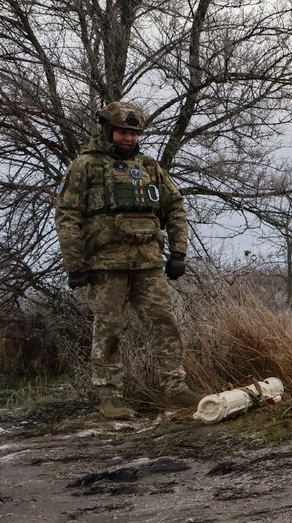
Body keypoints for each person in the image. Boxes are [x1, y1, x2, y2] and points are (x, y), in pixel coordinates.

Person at [55, 101, 201, 419]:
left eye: (134, 133)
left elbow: (175, 205)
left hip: (148, 262)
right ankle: (110, 395)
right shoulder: (86, 166)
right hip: (106, 264)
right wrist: (74, 263)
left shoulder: (149, 167)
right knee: (109, 328)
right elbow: (67, 214)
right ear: (108, 130)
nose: (129, 138)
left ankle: (175, 388)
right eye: (123, 132)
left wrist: (178, 252)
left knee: (165, 324)